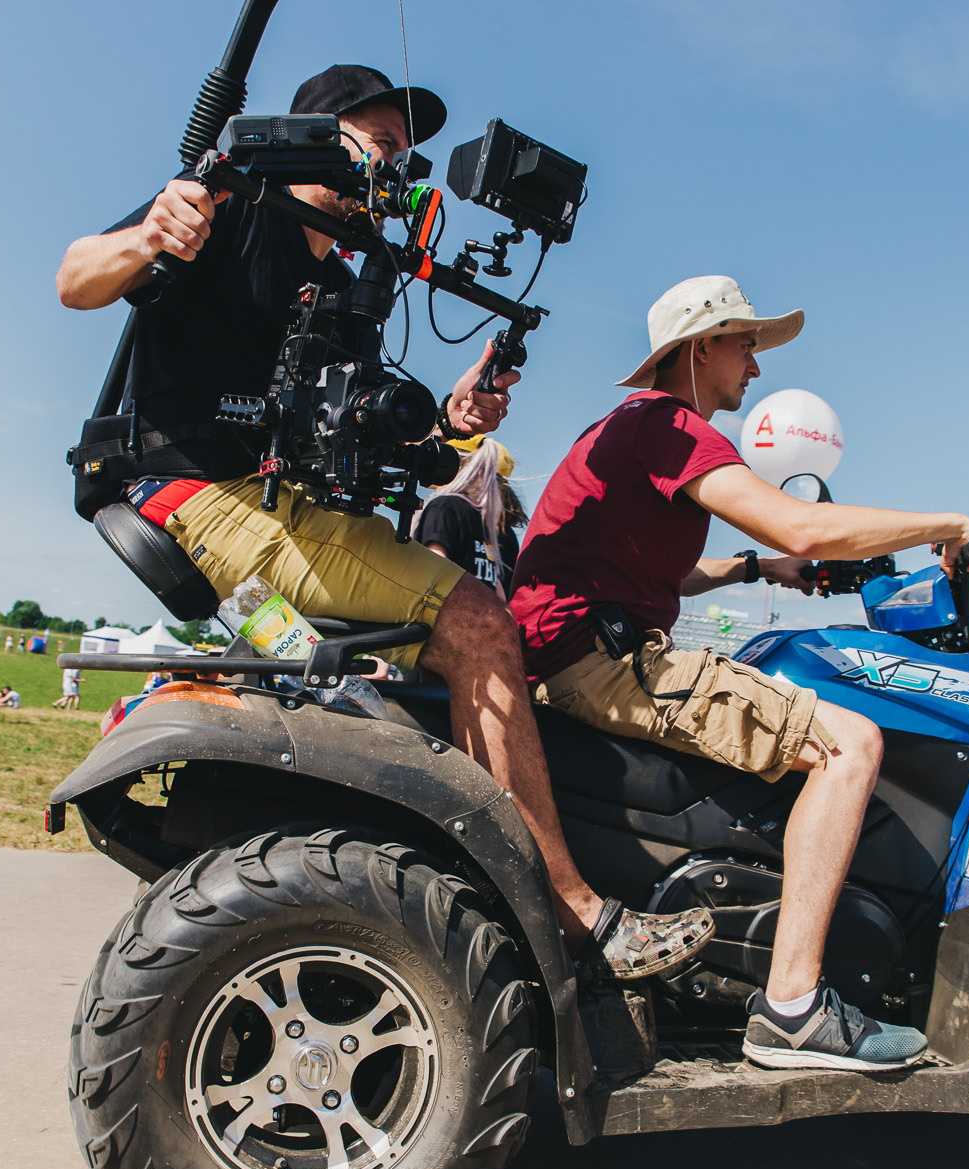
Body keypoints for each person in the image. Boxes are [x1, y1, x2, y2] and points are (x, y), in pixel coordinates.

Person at [55, 66, 693, 972]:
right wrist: (150, 235)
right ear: (319, 137)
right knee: (477, 620)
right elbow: (77, 278)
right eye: (385, 143)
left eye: (408, 151)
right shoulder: (231, 206)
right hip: (192, 490)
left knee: (462, 615)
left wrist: (451, 424)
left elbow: (394, 449)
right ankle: (572, 911)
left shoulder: (356, 283)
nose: (402, 164)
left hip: (282, 502)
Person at [510, 275, 969, 1070]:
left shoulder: (628, 428)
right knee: (849, 744)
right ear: (698, 348)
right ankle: (793, 1007)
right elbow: (806, 523)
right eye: (745, 344)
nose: (755, 369)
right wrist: (956, 523)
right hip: (602, 660)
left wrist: (756, 566)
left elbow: (649, 575)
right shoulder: (671, 426)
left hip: (580, 650)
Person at [416, 435, 518, 594]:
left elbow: (433, 573)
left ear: (458, 464)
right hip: (487, 617)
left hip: (444, 615)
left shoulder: (445, 507)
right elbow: (504, 599)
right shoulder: (505, 532)